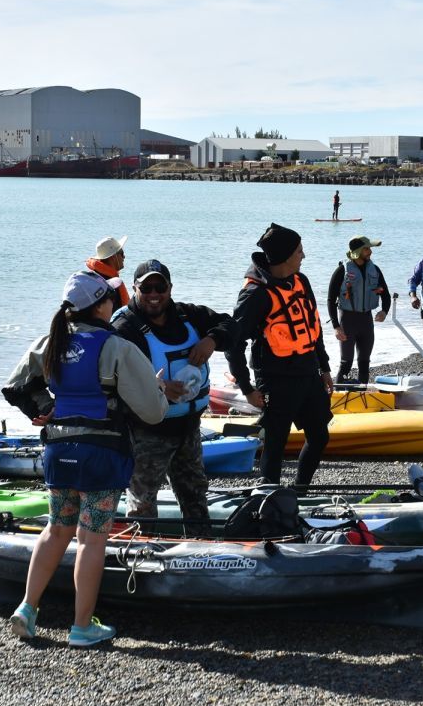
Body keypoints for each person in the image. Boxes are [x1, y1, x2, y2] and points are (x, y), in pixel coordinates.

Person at [1, 270, 168, 647]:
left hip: (59, 452)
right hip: (102, 455)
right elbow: (153, 413)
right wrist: (158, 388)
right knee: (92, 539)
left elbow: (15, 386)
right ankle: (81, 627)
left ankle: (27, 608)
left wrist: (43, 408)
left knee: (56, 530)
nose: (116, 300)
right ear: (100, 305)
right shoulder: (118, 348)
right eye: (111, 296)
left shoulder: (51, 342)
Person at [112, 259, 235, 529]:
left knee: (194, 493)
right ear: (135, 289)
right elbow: (114, 378)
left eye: (160, 287)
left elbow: (231, 325)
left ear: (170, 288)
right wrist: (158, 388)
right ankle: (140, 555)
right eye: (147, 289)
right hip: (147, 431)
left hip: (188, 427)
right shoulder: (124, 327)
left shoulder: (189, 315)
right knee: (143, 501)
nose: (154, 294)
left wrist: (211, 340)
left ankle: (199, 548)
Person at [226, 223, 333, 486]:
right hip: (275, 379)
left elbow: (313, 327)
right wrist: (247, 388)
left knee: (320, 436)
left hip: (308, 371)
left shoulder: (301, 280)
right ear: (285, 256)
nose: (303, 256)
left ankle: (300, 490)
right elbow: (233, 343)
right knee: (275, 444)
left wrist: (325, 368)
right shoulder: (255, 295)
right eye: (299, 251)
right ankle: (269, 500)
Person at [327, 236, 390, 384]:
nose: (370, 252)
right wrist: (336, 327)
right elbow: (330, 300)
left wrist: (384, 311)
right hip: (347, 321)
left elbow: (385, 294)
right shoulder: (342, 270)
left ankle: (362, 396)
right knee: (346, 363)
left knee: (364, 362)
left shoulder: (374, 269)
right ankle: (338, 396)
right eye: (367, 249)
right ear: (358, 251)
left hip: (366, 321)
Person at [86, 235, 130, 306]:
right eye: (122, 253)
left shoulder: (92, 278)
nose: (124, 257)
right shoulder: (112, 285)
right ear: (113, 257)